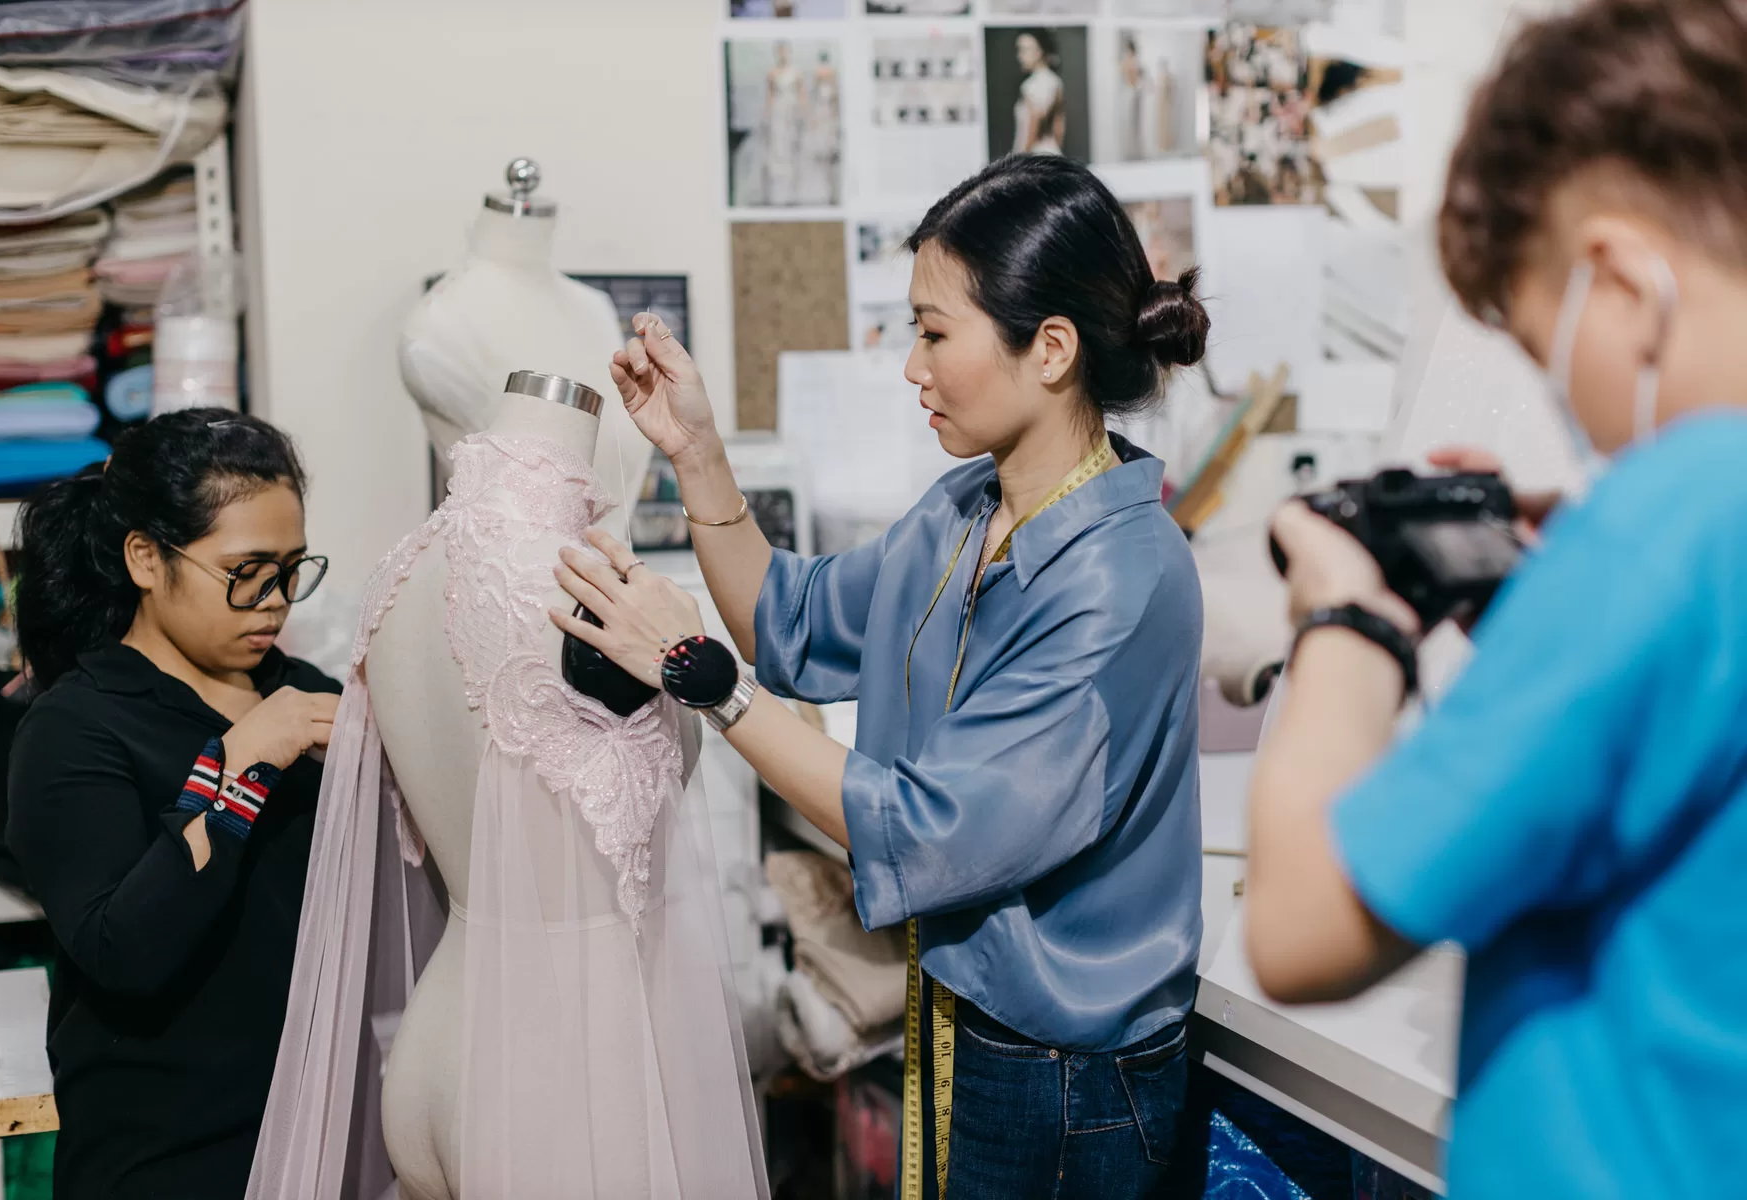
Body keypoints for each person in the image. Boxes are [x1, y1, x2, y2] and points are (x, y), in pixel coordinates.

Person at [553, 153, 1209, 1199]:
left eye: (935, 333)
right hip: (966, 1018)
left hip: (1065, 1078)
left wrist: (699, 678)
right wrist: (699, 454)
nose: (912, 366)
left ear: (1050, 349)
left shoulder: (1123, 580)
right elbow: (790, 619)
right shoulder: (963, 515)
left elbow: (927, 828)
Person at [1246, 2, 1747, 1196]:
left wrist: (1349, 616)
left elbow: (1299, 929)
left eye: (1541, 343)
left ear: (1619, 282)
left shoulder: (1670, 519)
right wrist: (1551, 606)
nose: (1555, 393)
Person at [6, 409, 340, 1198]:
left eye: (293, 568)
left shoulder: (306, 695)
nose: (276, 600)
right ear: (147, 559)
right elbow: (127, 953)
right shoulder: (74, 728)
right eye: (247, 570)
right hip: (163, 1160)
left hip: (314, 1135)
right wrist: (244, 761)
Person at [1012, 30, 1066, 156]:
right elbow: (1059, 128)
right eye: (1019, 50)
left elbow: (1033, 127)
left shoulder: (1031, 86)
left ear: (1039, 51)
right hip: (1053, 154)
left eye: (1025, 50)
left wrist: (1021, 161)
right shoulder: (1055, 81)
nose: (1019, 56)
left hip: (1034, 158)